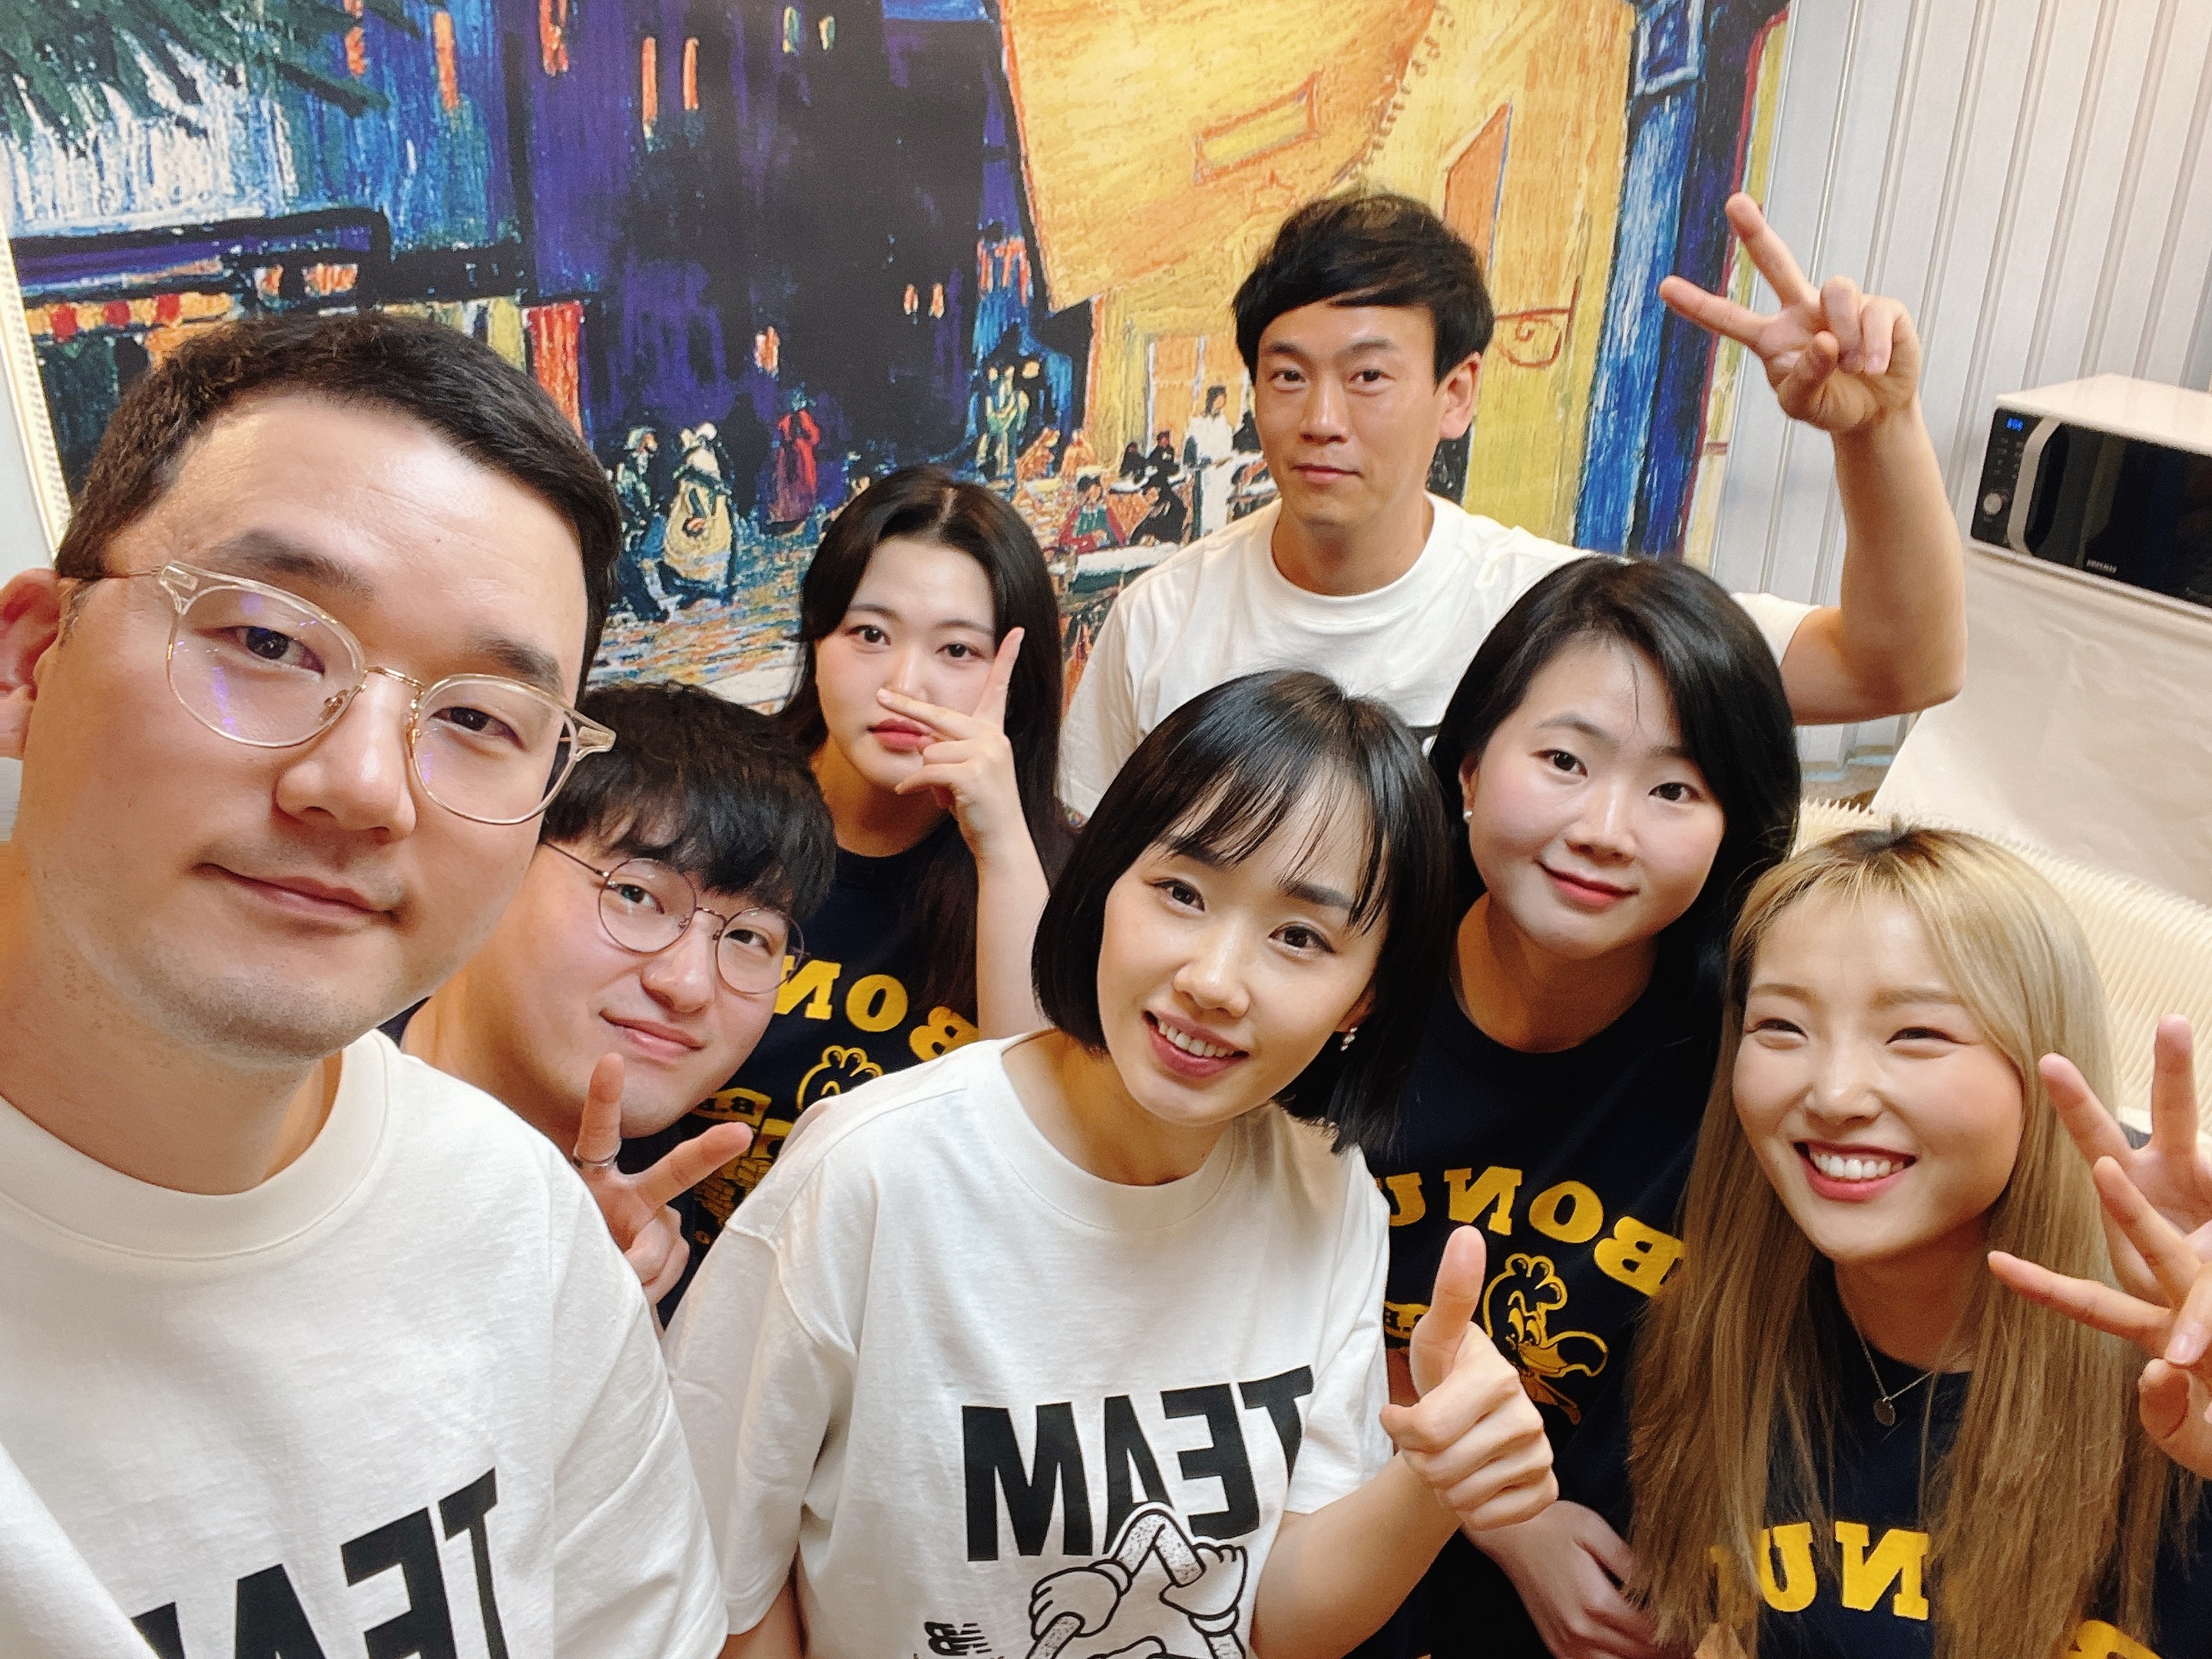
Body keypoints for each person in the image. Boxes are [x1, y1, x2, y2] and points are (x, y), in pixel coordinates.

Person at [0, 313, 723, 1652]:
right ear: (32, 661)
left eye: (479, 719)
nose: (363, 786)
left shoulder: (516, 1226)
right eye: (268, 641)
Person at [665, 670, 1557, 1658]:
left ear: (1365, 997)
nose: (1214, 981)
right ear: (1104, 886)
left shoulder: (1326, 1193)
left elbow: (1274, 1617)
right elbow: (719, 1575)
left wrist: (1434, 1482)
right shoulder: (871, 1173)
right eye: (1182, 892)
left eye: (1300, 937)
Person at [1058, 190, 1968, 817]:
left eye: (1368, 376)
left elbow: (1895, 670)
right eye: (1287, 376)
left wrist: (1878, 430)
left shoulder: (1553, 612)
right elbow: (1097, 876)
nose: (1321, 420)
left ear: (1456, 394)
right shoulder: (1161, 621)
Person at [1598, 826, 2208, 1658]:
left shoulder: (2181, 1375)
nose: (1835, 1093)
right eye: (1781, 1026)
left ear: (2042, 1063)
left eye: (1916, 1034)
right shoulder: (1708, 1338)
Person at [1359, 555, 1800, 1658]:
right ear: (1469, 765)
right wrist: (1500, 1511)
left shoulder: (1763, 1048)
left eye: (1675, 790)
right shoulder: (1345, 979)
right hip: (1328, 1538)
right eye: (1564, 760)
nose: (1608, 828)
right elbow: (1224, 1288)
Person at [654, 465, 1069, 1258]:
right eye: (870, 635)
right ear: (817, 637)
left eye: (957, 649)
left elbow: (1034, 1144)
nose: (904, 684)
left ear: (1014, 675)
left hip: (894, 1299)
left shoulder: (1053, 870)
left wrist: (1003, 850)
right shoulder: (708, 810)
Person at [387, 681, 835, 1313]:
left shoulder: (648, 1189)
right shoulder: (299, 1110)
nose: (688, 985)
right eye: (636, 895)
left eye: (748, 937)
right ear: (505, 858)